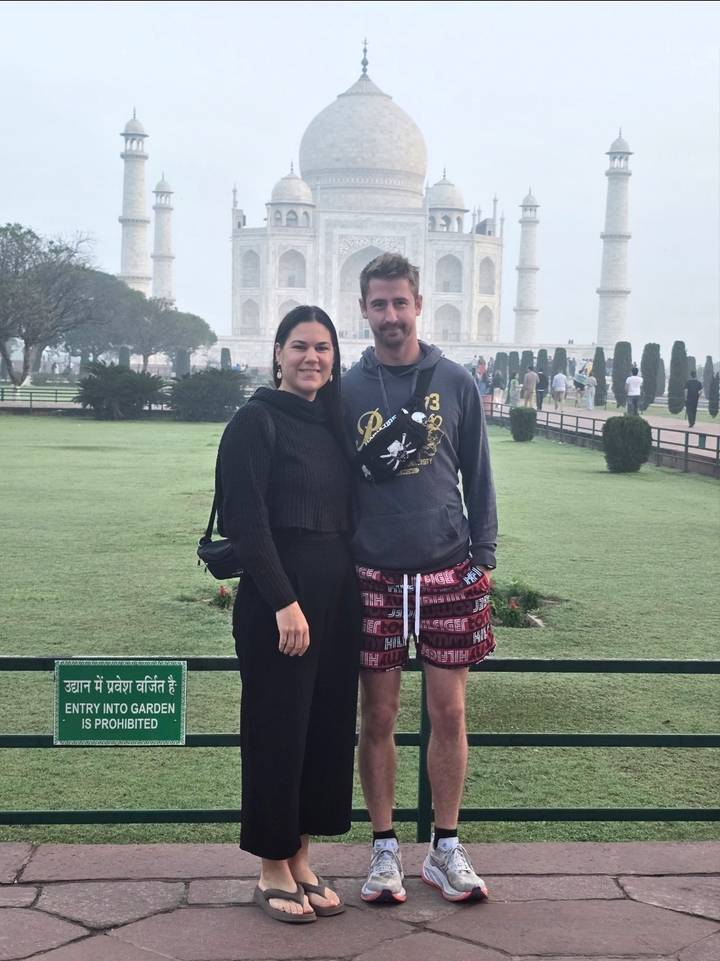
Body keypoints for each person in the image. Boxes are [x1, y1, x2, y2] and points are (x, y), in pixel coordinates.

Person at [343, 253, 497, 906]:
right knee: (375, 714)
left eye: (400, 302)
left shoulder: (455, 382)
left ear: (419, 303)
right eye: (378, 304)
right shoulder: (347, 390)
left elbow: (479, 472)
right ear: (364, 309)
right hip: (374, 572)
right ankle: (384, 852)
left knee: (449, 712)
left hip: (445, 567)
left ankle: (445, 848)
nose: (391, 315)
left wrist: (482, 555)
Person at [216, 305, 361, 924]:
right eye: (299, 346)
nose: (312, 358)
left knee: (324, 731)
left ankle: (302, 853)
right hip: (281, 603)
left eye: (323, 348)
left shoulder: (333, 422)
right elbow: (245, 524)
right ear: (277, 353)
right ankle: (271, 865)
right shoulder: (255, 421)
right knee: (277, 730)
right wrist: (284, 602)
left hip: (335, 598)